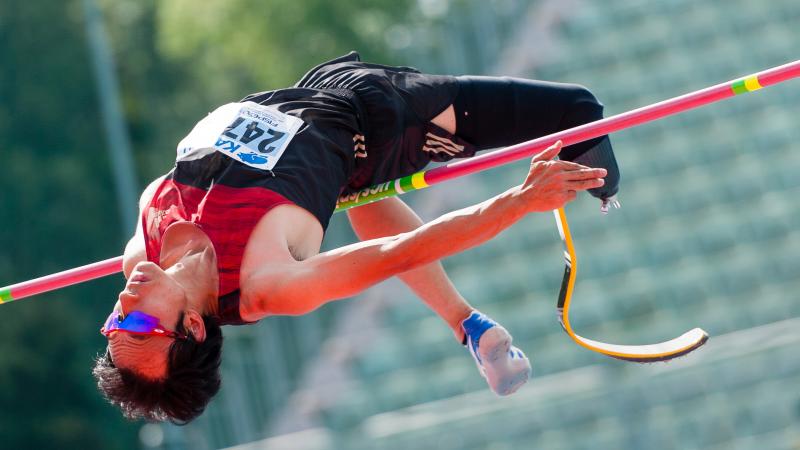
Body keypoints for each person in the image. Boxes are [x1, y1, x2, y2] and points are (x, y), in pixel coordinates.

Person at [93, 52, 620, 423]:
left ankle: (469, 324)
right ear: (191, 326)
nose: (124, 302)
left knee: (360, 199)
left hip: (317, 86)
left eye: (115, 321)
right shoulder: (268, 284)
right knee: (578, 113)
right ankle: (607, 197)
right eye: (137, 322)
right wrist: (521, 200)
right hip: (387, 118)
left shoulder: (143, 247)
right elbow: (403, 251)